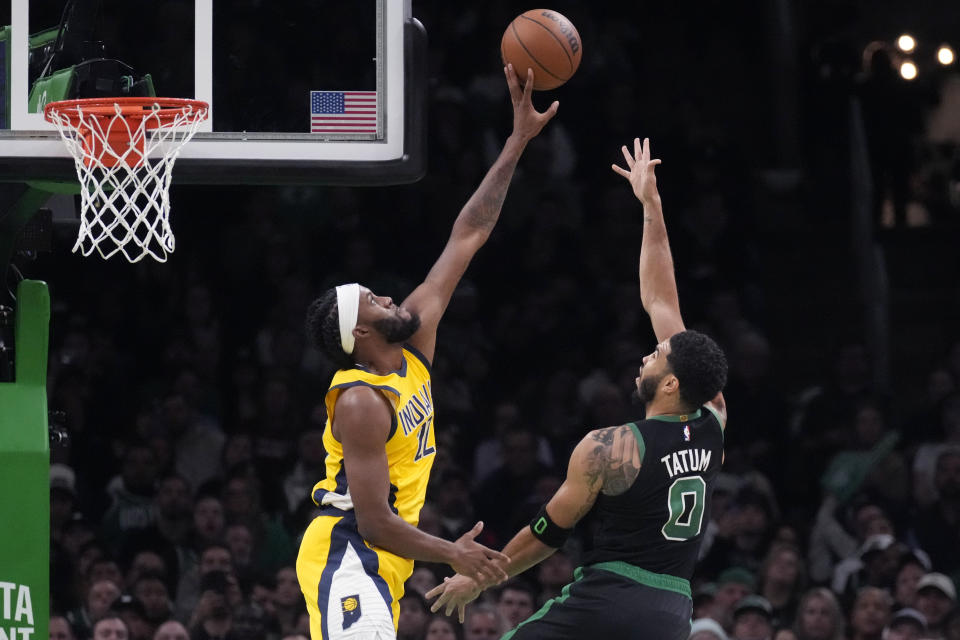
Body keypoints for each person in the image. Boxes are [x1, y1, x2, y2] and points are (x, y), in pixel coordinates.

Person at [296, 63, 559, 640]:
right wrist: (453, 553)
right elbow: (373, 521)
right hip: (348, 551)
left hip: (384, 566)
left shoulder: (414, 345)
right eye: (372, 301)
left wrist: (517, 142)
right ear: (360, 335)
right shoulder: (361, 402)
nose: (388, 296)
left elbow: (467, 236)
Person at [428, 137, 729, 640]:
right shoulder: (714, 416)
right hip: (673, 609)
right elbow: (659, 297)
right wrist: (651, 206)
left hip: (608, 597)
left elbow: (545, 536)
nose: (646, 355)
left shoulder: (609, 447)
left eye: (656, 356)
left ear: (672, 383)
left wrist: (478, 578)